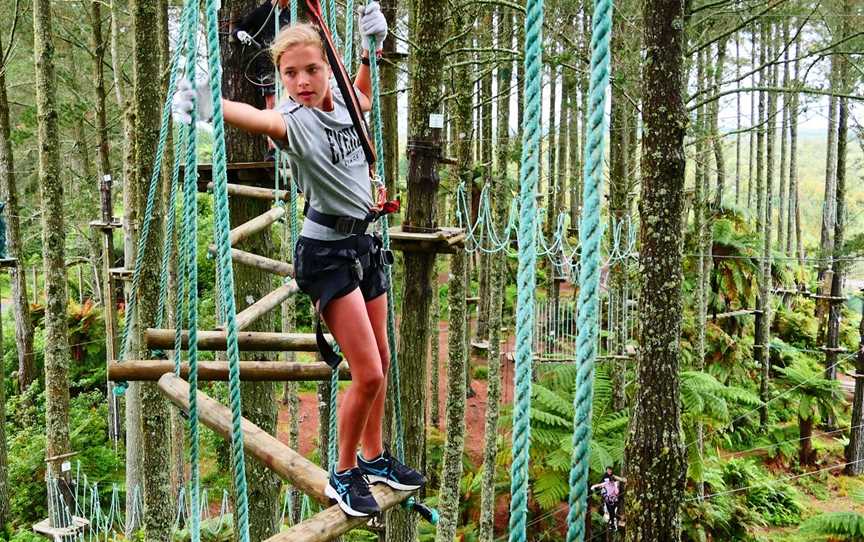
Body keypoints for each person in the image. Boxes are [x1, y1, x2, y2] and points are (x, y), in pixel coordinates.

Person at [173, 4, 425, 518]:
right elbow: (255, 116)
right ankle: (344, 471)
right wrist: (203, 103)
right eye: (291, 73)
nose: (303, 81)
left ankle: (374, 457)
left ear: (325, 69)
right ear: (281, 78)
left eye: (311, 69)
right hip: (326, 252)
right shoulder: (292, 120)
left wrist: (370, 46)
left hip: (364, 244)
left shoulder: (347, 103)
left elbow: (363, 93)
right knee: (369, 372)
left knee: (382, 355)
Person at [232, 0, 291, 160]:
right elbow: (238, 29)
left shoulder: (289, 14)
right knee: (271, 104)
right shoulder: (262, 12)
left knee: (289, 103)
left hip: (287, 66)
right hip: (266, 66)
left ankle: (290, 146)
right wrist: (239, 34)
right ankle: (273, 149)